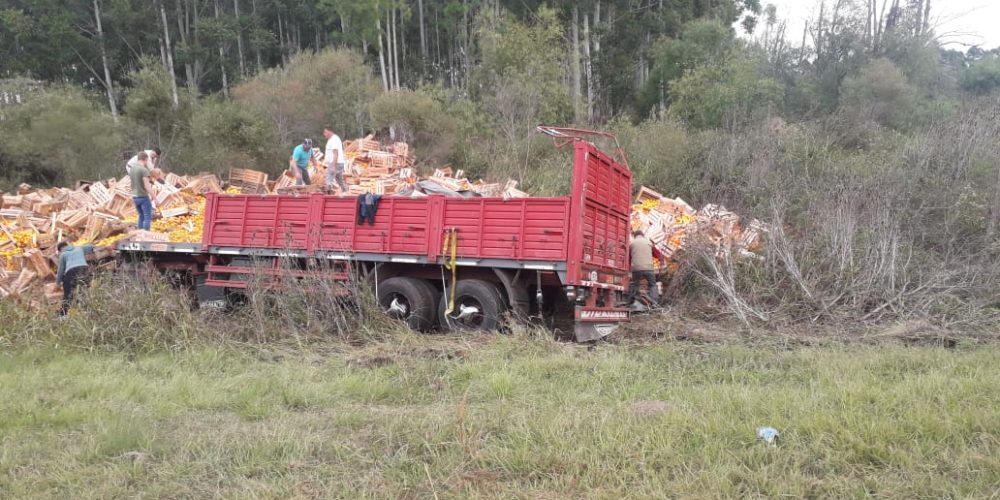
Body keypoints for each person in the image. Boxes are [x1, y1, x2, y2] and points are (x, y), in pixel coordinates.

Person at [55, 241, 96, 316]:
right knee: (84, 291)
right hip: (84, 269)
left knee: (68, 293)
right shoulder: (78, 248)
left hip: (71, 272)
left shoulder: (63, 254)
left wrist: (57, 283)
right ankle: (88, 311)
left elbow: (61, 270)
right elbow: (91, 247)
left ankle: (63, 314)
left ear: (60, 249)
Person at [627, 230, 661, 305]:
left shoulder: (631, 244)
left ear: (635, 236)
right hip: (648, 268)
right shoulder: (649, 243)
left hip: (636, 269)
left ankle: (630, 302)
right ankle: (654, 302)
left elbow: (628, 258)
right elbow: (658, 255)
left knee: (635, 284)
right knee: (652, 284)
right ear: (643, 235)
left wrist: (629, 269)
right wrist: (661, 262)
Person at [130, 152, 155, 230]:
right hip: (143, 196)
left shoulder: (132, 169)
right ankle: (145, 237)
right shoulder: (144, 170)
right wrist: (155, 198)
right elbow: (147, 186)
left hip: (135, 197)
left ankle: (139, 234)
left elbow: (132, 183)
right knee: (147, 217)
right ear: (146, 159)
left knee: (141, 216)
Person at [323, 127, 349, 194]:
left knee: (329, 179)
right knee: (339, 179)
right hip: (339, 163)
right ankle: (346, 191)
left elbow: (335, 153)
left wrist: (333, 166)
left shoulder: (334, 140)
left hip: (335, 163)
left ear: (330, 131)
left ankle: (328, 196)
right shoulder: (334, 139)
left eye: (325, 132)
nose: (324, 134)